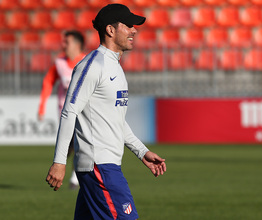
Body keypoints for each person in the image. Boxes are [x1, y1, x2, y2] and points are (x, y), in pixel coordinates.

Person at [45, 3, 167, 220]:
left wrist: (141, 152)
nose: (134, 30)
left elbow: (116, 120)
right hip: (99, 167)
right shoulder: (93, 65)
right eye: (128, 25)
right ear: (111, 30)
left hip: (104, 166)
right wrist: (59, 162)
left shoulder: (114, 66)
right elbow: (69, 112)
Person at [39, 30, 86, 189]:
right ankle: (67, 171)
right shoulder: (59, 63)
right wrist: (42, 107)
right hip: (65, 112)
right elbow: (48, 82)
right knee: (69, 145)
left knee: (78, 143)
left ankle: (74, 177)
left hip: (83, 112)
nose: (63, 45)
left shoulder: (87, 62)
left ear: (77, 45)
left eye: (67, 42)